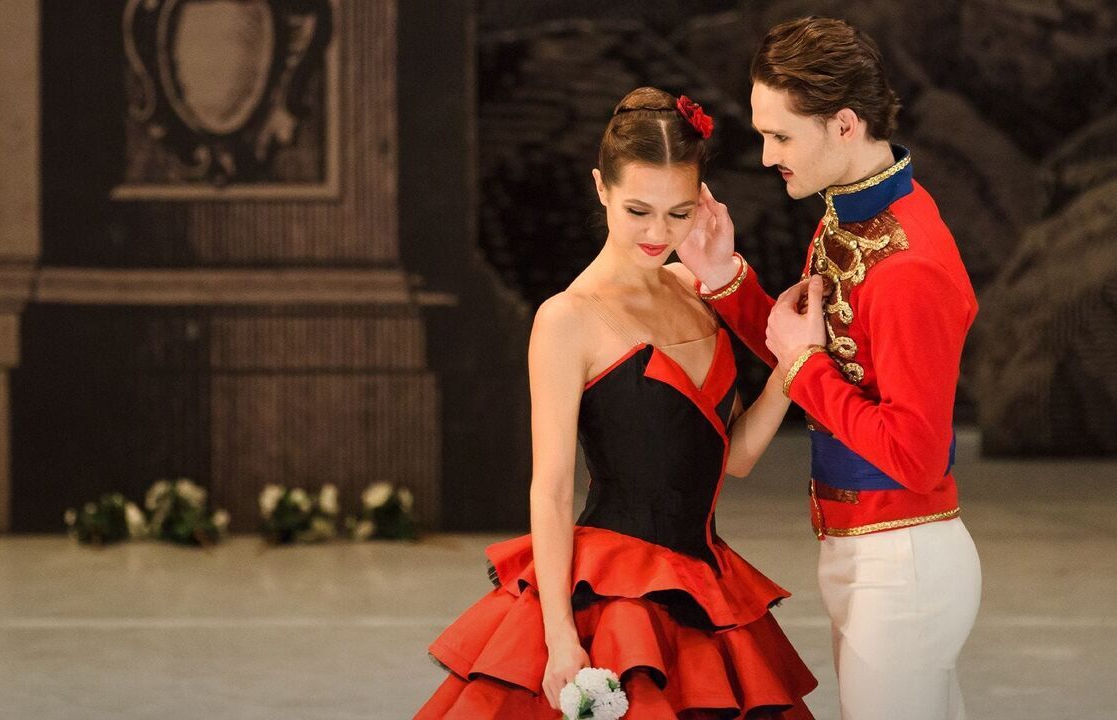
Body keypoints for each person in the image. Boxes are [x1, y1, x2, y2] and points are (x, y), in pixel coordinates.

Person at [415, 87, 817, 720]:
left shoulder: (697, 288)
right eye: (637, 210)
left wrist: (793, 367)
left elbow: (734, 457)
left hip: (705, 590)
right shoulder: (567, 318)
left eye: (679, 213)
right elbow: (550, 491)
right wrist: (559, 638)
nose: (658, 233)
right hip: (611, 602)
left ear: (703, 202)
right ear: (600, 188)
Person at [677, 17, 982, 720]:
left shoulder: (908, 266)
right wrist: (724, 278)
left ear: (844, 124)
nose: (766, 156)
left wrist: (806, 363)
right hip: (874, 554)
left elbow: (915, 456)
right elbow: (814, 360)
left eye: (781, 137)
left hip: (901, 562)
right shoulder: (852, 217)